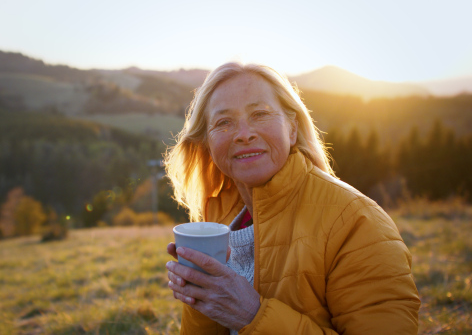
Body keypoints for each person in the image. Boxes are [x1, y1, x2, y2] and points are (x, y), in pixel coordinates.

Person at [163, 62, 420, 334]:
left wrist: (252, 315)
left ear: (292, 129)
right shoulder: (218, 216)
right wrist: (201, 297)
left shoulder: (357, 221)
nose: (244, 134)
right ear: (207, 142)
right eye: (224, 122)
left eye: (260, 114)